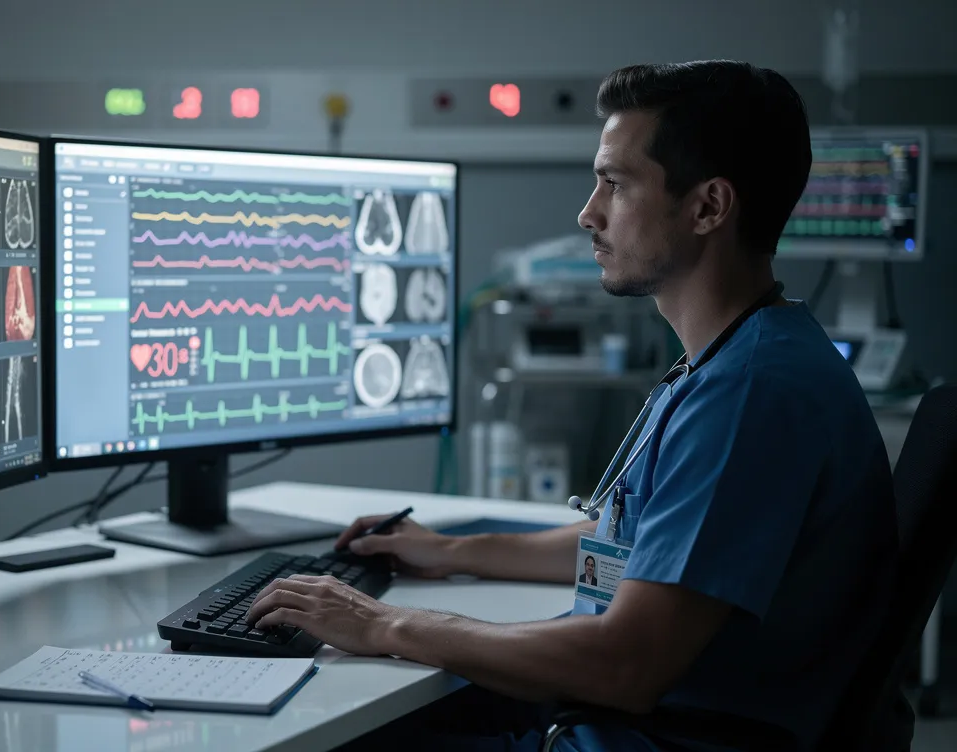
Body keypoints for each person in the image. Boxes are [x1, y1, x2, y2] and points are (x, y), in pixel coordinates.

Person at [247, 60, 900, 751]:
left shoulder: (751, 395)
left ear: (709, 206)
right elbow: (642, 542)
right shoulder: (744, 354)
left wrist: (384, 625)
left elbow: (625, 665)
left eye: (614, 184)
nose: (587, 212)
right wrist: (451, 550)